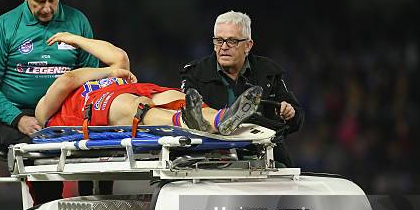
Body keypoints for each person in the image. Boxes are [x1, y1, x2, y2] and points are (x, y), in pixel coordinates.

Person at [0, 0, 107, 201]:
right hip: (19, 115)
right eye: (39, 2)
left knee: (105, 149)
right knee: (41, 150)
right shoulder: (4, 27)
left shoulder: (78, 23)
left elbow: (89, 77)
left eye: (52, 0)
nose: (47, 8)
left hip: (66, 114)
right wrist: (18, 119)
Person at [35, 32, 262, 135]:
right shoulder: (45, 105)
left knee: (175, 97)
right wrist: (110, 71)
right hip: (94, 106)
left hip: (126, 88)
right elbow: (68, 80)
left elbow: (120, 57)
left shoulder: (99, 75)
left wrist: (75, 38)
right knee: (134, 107)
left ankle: (221, 118)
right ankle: (185, 122)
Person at [180, 11, 304, 167]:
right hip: (209, 161)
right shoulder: (194, 73)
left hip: (265, 159)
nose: (223, 47)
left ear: (248, 45)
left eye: (232, 41)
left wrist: (289, 114)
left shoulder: (268, 72)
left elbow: (297, 118)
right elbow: (185, 116)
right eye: (219, 40)